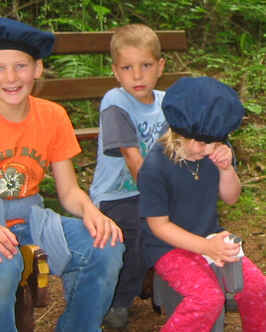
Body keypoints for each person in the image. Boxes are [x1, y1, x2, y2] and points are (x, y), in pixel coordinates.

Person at [0, 17, 124, 332]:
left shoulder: (52, 116)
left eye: (21, 66)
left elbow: (69, 192)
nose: (11, 77)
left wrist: (91, 211)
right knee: (3, 263)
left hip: (32, 220)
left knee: (105, 245)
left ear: (37, 68)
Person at [139, 76, 266, 332]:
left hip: (210, 238)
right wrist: (206, 247)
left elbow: (231, 197)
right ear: (179, 133)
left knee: (258, 287)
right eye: (203, 143)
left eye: (217, 142)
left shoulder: (213, 150)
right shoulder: (156, 166)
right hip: (169, 248)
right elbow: (159, 226)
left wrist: (226, 169)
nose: (210, 148)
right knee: (208, 299)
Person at [90, 24, 168, 329]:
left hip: (151, 189)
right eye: (127, 67)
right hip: (115, 196)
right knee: (136, 234)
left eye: (146, 65)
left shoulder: (165, 104)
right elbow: (133, 159)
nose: (137, 75)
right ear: (115, 72)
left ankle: (174, 287)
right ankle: (119, 302)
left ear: (160, 66)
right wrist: (160, 203)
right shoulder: (115, 102)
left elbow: (171, 154)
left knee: (188, 220)